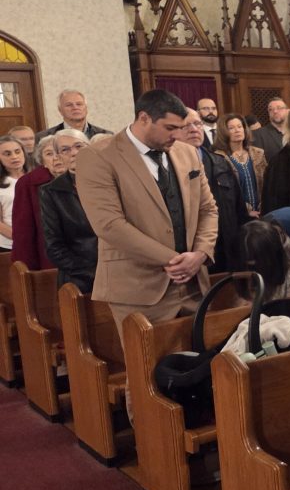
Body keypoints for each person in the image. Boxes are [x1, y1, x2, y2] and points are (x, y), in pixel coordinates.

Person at [75, 89, 218, 345]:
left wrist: (200, 253)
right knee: (148, 366)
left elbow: (208, 209)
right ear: (144, 118)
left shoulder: (186, 152)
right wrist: (174, 261)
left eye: (181, 127)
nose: (177, 135)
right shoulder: (98, 156)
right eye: (170, 128)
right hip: (138, 288)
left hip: (194, 284)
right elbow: (109, 225)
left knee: (204, 362)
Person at [180, 108, 249, 273]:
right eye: (186, 125)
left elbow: (239, 209)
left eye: (197, 124)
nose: (194, 129)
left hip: (227, 252)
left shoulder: (220, 162)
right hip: (193, 257)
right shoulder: (168, 168)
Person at [40, 131, 96, 292]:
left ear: (90, 148)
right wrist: (93, 273)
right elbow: (54, 246)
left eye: (79, 146)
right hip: (80, 280)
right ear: (58, 157)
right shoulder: (51, 191)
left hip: (121, 272)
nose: (74, 153)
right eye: (65, 150)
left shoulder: (112, 180)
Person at [11, 135, 64, 269]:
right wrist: (27, 270)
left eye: (60, 151)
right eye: (49, 154)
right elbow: (23, 231)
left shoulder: (87, 178)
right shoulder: (28, 183)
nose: (56, 157)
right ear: (42, 161)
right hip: (49, 258)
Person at [214, 113, 266, 217]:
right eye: (231, 128)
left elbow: (267, 184)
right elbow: (223, 193)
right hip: (235, 214)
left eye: (239, 126)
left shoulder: (258, 153)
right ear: (223, 132)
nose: (237, 130)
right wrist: (246, 210)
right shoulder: (219, 157)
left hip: (262, 212)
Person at [35, 89, 112, 142]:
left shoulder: (106, 135)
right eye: (69, 105)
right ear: (60, 110)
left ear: (86, 108)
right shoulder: (43, 137)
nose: (75, 107)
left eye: (79, 104)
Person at [0, 135, 27, 251]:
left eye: (17, 151)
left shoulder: (36, 177)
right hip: (9, 245)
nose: (14, 157)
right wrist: (21, 238)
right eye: (7, 154)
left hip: (41, 242)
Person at [254, 97, 287, 163]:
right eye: (271, 109)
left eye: (279, 108)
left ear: (286, 111)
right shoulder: (259, 134)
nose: (275, 111)